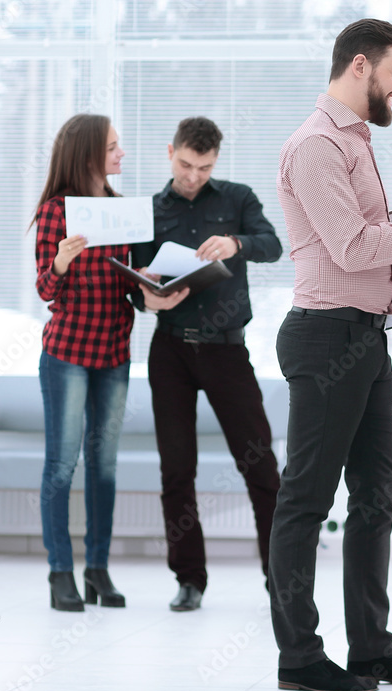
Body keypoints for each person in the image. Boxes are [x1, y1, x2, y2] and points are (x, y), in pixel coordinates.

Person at [270, 18, 392, 691]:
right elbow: (353, 247)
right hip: (326, 335)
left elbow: (368, 245)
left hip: (362, 333)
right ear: (360, 66)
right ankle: (298, 655)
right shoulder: (317, 146)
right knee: (306, 498)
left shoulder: (354, 141)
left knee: (379, 491)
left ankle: (371, 648)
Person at [132, 117, 283, 612]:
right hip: (170, 350)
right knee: (177, 470)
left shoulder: (237, 199)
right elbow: (136, 280)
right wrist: (147, 299)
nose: (193, 175)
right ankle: (189, 579)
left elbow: (273, 245)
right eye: (185, 164)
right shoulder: (149, 210)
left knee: (261, 465)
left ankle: (279, 576)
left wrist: (237, 243)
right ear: (169, 151)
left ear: (216, 161)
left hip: (226, 349)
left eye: (204, 167)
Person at [35, 113, 185, 612]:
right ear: (89, 154)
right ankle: (61, 573)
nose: (122, 155)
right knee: (62, 464)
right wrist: (60, 260)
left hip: (114, 353)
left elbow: (130, 286)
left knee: (103, 466)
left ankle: (97, 569)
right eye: (114, 148)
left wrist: (150, 293)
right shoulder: (57, 211)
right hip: (67, 355)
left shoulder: (123, 211)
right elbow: (45, 289)